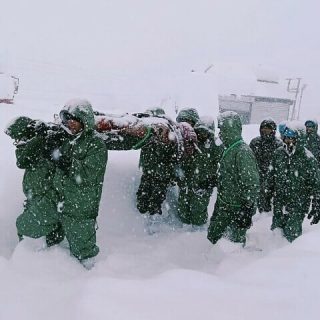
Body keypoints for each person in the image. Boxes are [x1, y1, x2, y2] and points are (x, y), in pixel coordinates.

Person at [5, 116, 67, 246]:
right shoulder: (32, 149)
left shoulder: (45, 148)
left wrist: (41, 139)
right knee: (27, 229)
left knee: (25, 227)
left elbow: (56, 181)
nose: (17, 142)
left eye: (19, 138)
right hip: (37, 201)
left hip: (48, 202)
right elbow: (23, 160)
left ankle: (41, 255)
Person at [207, 111, 260, 245]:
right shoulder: (229, 148)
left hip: (236, 209)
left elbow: (251, 183)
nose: (220, 133)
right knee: (214, 238)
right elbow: (229, 174)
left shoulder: (242, 152)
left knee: (232, 245)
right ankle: (210, 263)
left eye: (222, 129)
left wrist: (246, 209)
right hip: (224, 205)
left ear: (231, 129)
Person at [266, 124, 320, 242]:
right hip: (279, 202)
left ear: (299, 139)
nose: (288, 141)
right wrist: (266, 194)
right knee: (277, 234)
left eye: (292, 138)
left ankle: (290, 257)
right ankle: (272, 258)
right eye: (286, 137)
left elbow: (316, 184)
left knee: (291, 235)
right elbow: (271, 176)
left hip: (298, 204)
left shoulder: (308, 159)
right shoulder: (278, 153)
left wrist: (317, 203)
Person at [176, 115, 223, 226]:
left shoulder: (215, 146)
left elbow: (222, 164)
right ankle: (183, 231)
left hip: (203, 184)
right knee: (183, 208)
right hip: (187, 182)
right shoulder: (190, 142)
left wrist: (213, 179)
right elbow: (181, 159)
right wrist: (180, 175)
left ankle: (197, 232)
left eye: (205, 132)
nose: (202, 134)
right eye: (199, 131)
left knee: (198, 210)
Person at [136, 108, 178, 216]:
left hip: (161, 174)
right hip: (151, 172)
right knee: (143, 202)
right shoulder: (148, 132)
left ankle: (155, 225)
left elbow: (172, 155)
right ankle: (147, 220)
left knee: (154, 203)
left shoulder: (168, 133)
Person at [249, 119, 282, 212]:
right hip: (256, 173)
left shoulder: (278, 144)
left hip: (271, 175)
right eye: (263, 128)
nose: (265, 130)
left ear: (273, 130)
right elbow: (249, 158)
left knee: (267, 198)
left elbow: (280, 163)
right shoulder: (255, 142)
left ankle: (265, 215)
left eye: (268, 128)